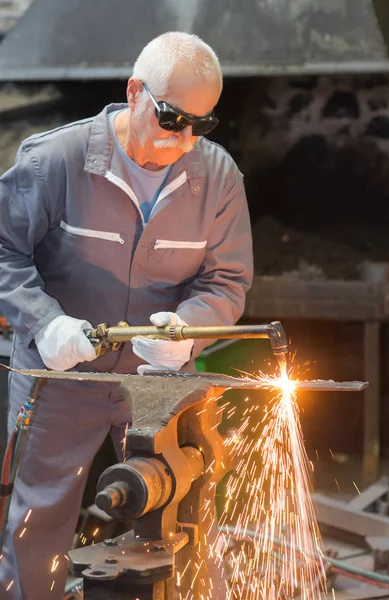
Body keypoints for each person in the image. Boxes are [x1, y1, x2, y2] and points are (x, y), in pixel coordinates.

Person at [0, 31, 253, 598]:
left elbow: (227, 279)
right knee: (38, 520)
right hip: (62, 375)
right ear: (135, 92)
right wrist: (45, 323)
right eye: (171, 119)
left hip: (160, 380)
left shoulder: (217, 177)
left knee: (185, 515)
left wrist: (189, 328)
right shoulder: (53, 162)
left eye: (202, 125)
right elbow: (3, 251)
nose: (185, 140)